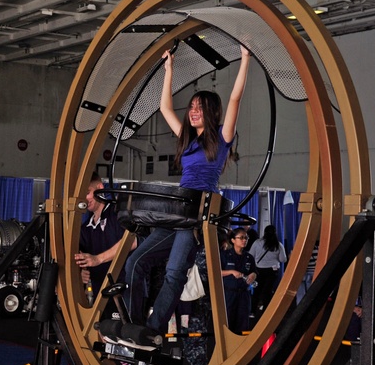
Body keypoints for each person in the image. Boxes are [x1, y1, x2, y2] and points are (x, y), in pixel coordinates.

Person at [122, 45, 251, 346]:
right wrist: (169, 70)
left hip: (199, 212)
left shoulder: (222, 138)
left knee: (174, 273)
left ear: (211, 112)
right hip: (178, 208)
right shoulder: (188, 140)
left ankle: (153, 331)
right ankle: (135, 325)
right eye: (191, 107)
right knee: (135, 262)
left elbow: (234, 98)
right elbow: (166, 108)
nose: (192, 111)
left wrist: (244, 59)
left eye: (198, 107)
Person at [75, 173, 131, 309]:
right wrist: (80, 272)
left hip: (126, 290)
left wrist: (98, 259)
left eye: (87, 193)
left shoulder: (119, 214)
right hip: (99, 296)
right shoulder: (85, 228)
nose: (85, 199)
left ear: (99, 188)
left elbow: (131, 241)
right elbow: (80, 258)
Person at [221, 227, 257, 333]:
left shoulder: (249, 257)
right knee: (228, 322)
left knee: (243, 322)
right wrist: (231, 272)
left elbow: (254, 271)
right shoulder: (225, 255)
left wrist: (253, 275)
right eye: (241, 238)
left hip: (244, 294)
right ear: (233, 240)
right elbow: (217, 272)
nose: (244, 240)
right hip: (229, 293)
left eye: (246, 238)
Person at [248, 225, 287, 318]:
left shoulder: (257, 243)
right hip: (272, 271)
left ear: (264, 232)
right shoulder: (278, 244)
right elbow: (283, 259)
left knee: (257, 290)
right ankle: (266, 313)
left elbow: (250, 255)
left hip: (259, 270)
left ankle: (252, 311)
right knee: (268, 291)